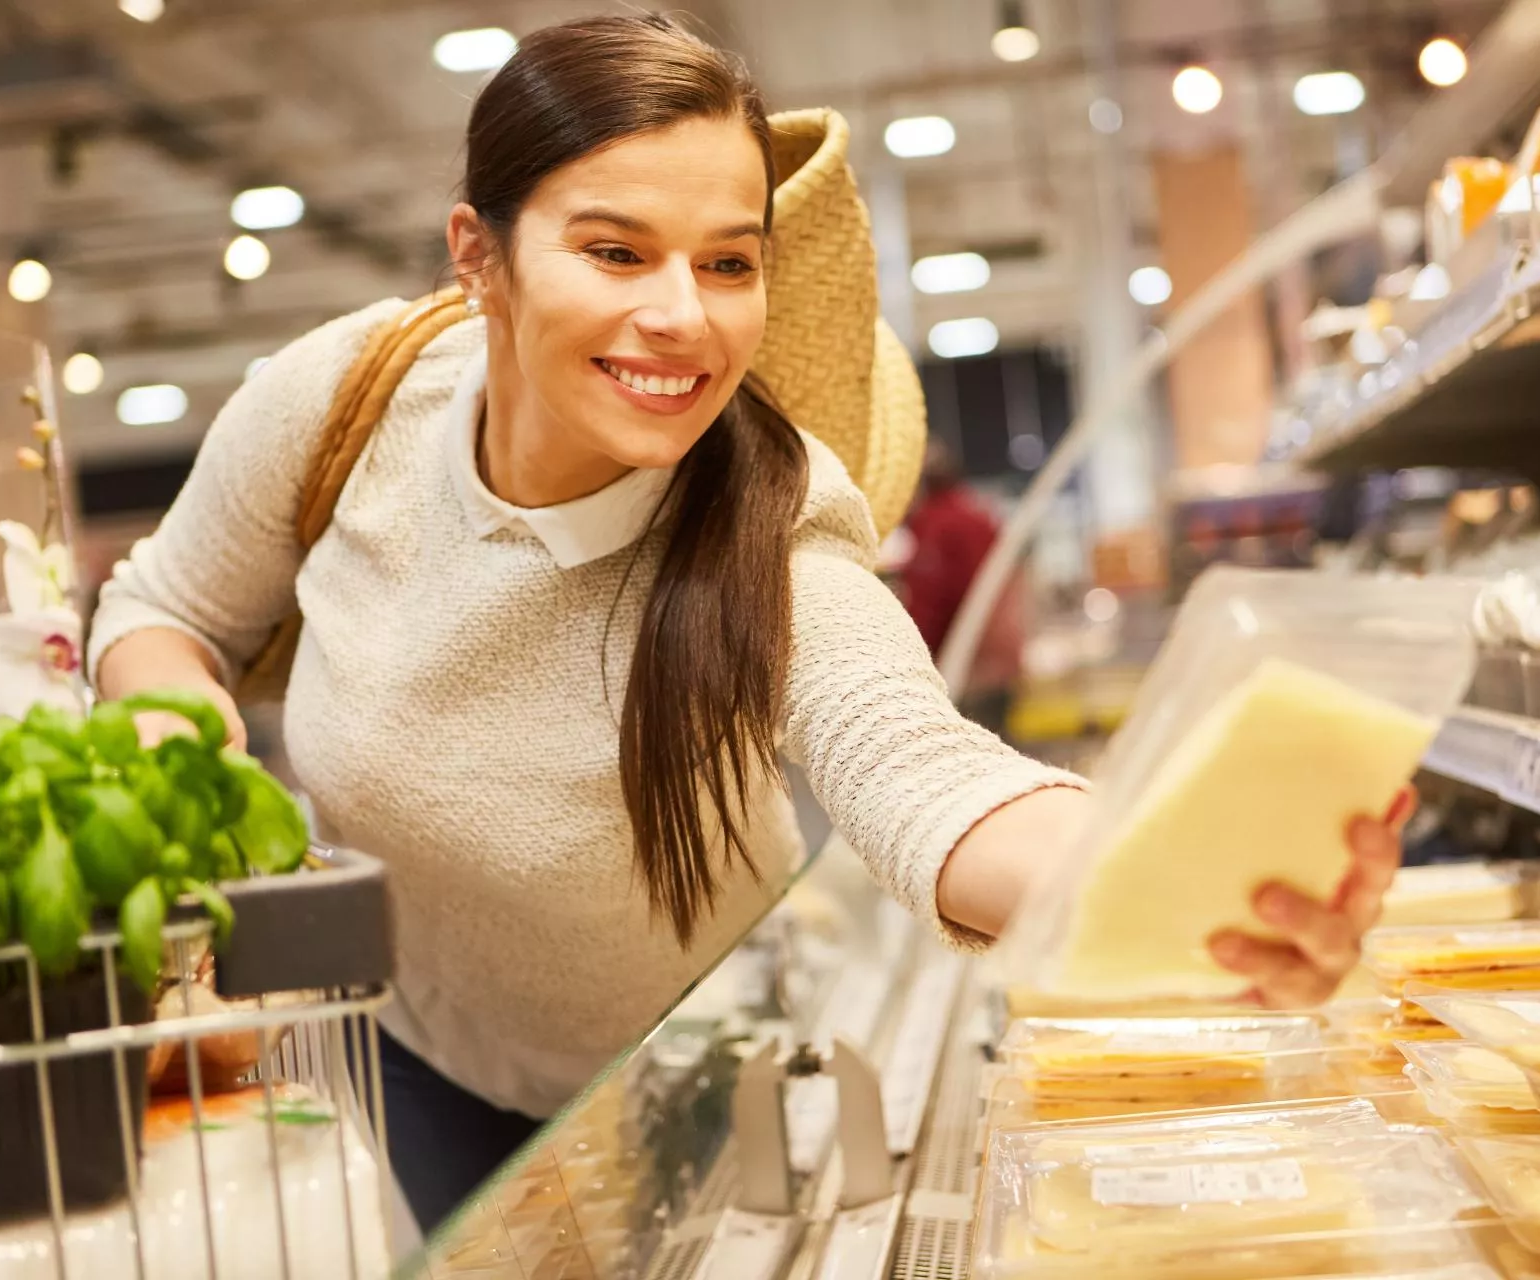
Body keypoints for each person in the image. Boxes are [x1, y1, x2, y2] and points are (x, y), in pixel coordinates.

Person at [88, 15, 1409, 1232]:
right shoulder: (344, 401)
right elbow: (165, 607)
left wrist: (1160, 873)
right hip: (414, 1058)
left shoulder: (769, 519)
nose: (683, 315)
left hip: (696, 1067)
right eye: (616, 251)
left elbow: (919, 771)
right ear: (479, 255)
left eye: (729, 263)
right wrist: (176, 730)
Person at [898, 440, 1022, 733]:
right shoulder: (978, 515)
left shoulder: (939, 526)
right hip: (996, 671)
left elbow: (930, 606)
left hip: (966, 675)